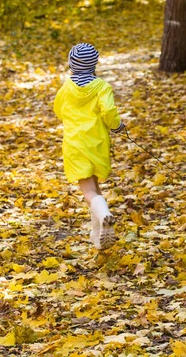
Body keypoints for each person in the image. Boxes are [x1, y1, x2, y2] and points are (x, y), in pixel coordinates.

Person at [53, 43, 126, 250]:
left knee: (88, 191)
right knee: (95, 188)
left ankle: (104, 215)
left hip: (76, 145)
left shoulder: (66, 88)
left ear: (71, 64)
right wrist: (117, 126)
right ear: (94, 64)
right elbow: (109, 112)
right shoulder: (101, 87)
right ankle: (97, 236)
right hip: (97, 144)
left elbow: (58, 110)